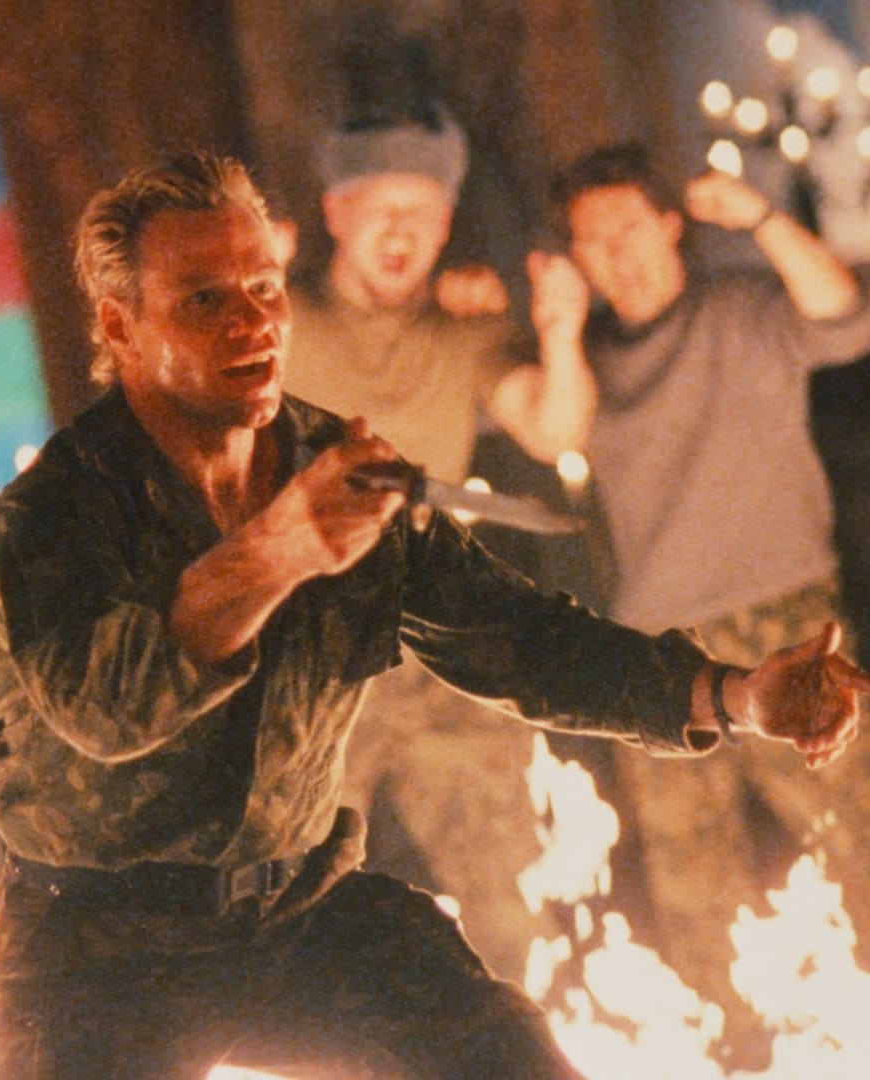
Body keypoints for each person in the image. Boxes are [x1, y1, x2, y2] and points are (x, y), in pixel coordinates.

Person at [0, 150, 870, 1079]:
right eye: (204, 299)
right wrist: (277, 553)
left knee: (508, 1061)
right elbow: (106, 709)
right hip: (104, 952)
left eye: (264, 287)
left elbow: (516, 638)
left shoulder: (335, 466)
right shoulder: (55, 512)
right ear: (120, 324)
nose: (251, 321)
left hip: (298, 915)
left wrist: (733, 695)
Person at [490, 142, 870, 1066]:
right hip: (659, 651)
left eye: (632, 227)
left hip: (785, 619)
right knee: (693, 882)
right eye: (595, 240)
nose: (620, 254)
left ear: (670, 224)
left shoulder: (742, 310)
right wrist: (556, 328)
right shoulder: (588, 360)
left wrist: (760, 218)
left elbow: (847, 320)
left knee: (866, 843)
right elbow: (558, 430)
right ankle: (736, 1057)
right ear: (575, 257)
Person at [277, 103, 591, 982]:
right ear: (337, 213)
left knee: (511, 899)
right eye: (381, 209)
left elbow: (555, 426)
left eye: (422, 213)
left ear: (447, 226)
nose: (401, 232)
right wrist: (240, 287)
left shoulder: (467, 332)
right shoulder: (280, 325)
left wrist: (562, 334)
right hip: (312, 655)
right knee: (287, 904)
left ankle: (522, 1037)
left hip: (437, 643)